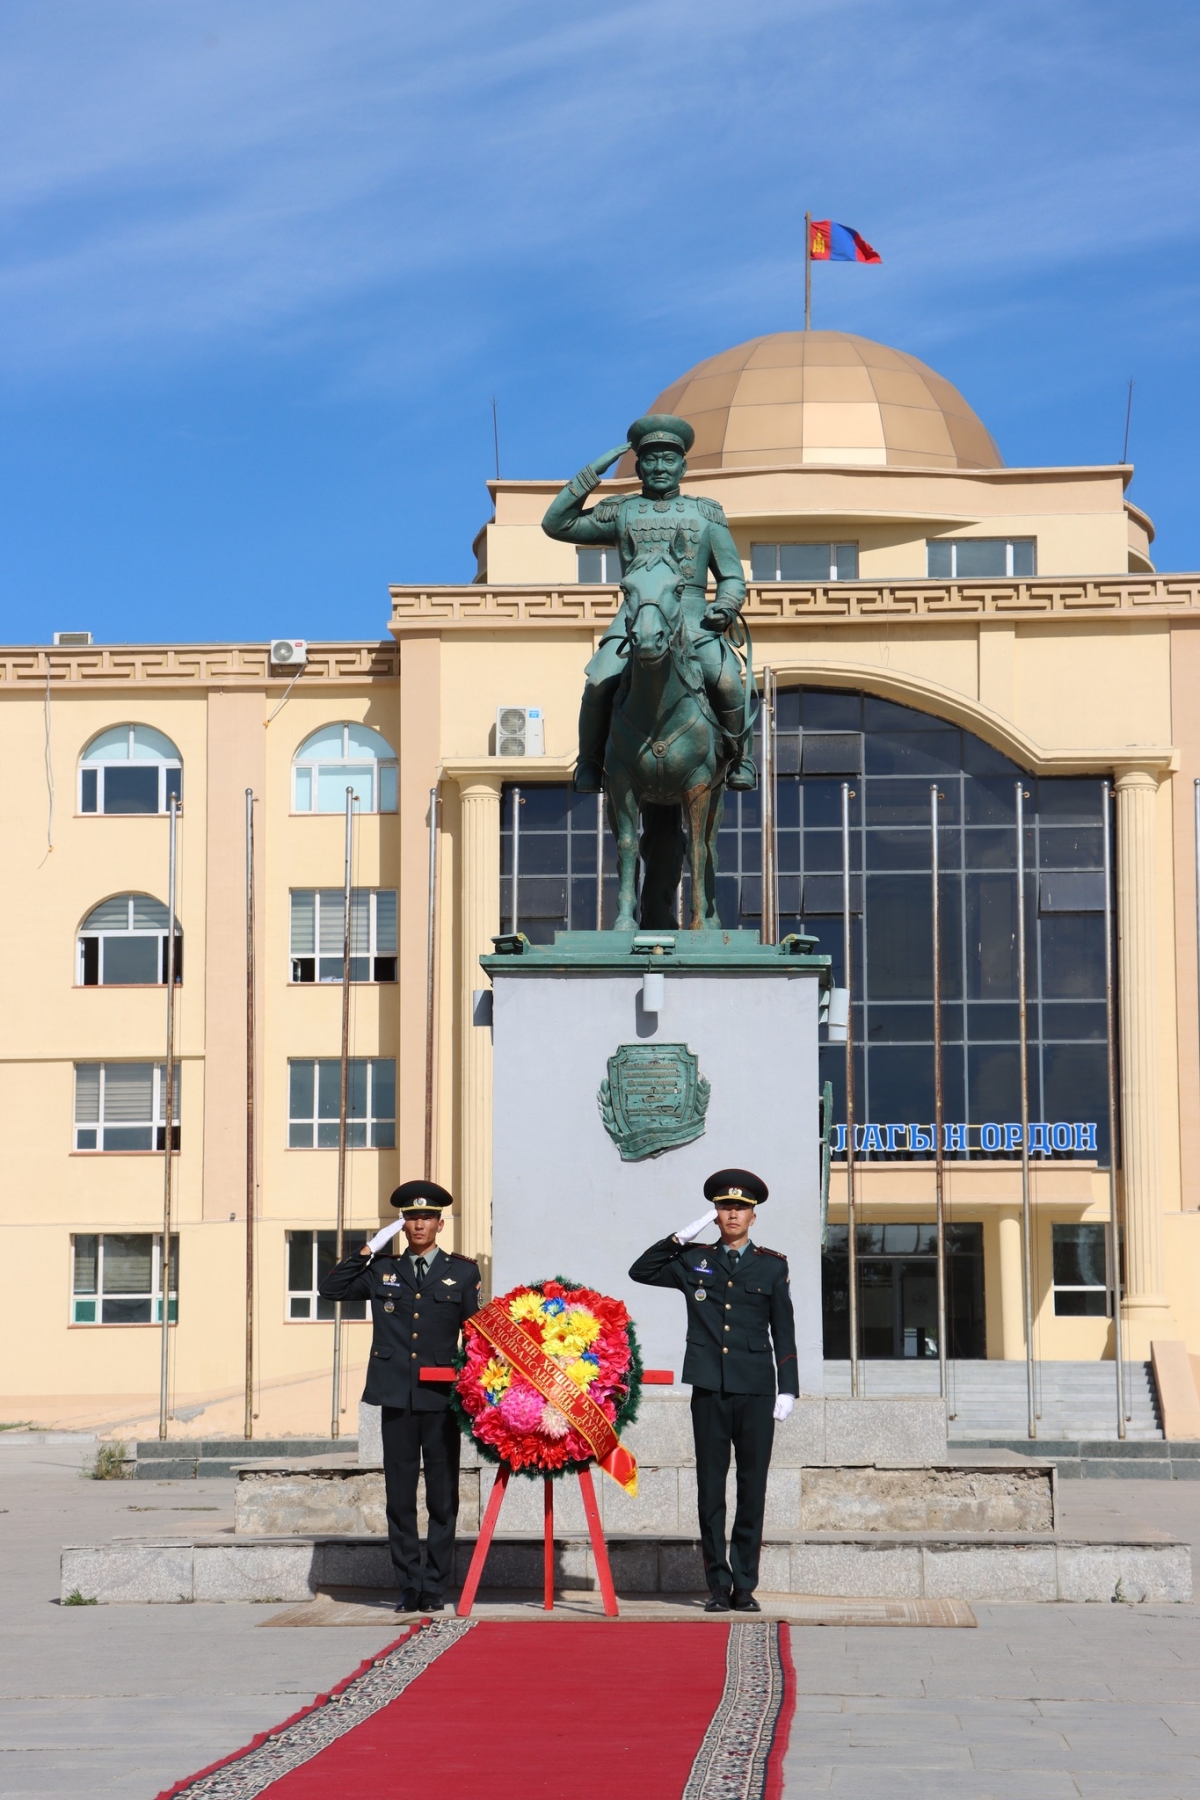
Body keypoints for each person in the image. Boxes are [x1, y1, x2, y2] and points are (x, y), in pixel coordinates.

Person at [541, 414, 757, 794]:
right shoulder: (622, 511)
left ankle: (742, 759)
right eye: (651, 460)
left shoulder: (705, 514)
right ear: (638, 466)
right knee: (597, 683)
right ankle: (589, 762)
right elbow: (557, 524)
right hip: (634, 617)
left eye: (668, 459)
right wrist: (596, 470)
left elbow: (732, 576)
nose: (660, 468)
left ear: (683, 466)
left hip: (693, 617)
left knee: (728, 683)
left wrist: (724, 605)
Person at [629, 1168, 797, 1613]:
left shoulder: (772, 1265)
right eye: (724, 1208)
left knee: (751, 1487)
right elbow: (640, 1270)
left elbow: (784, 1330)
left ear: (753, 1216)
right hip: (709, 1387)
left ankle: (745, 1584)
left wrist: (789, 1388)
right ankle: (717, 1586)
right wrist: (682, 1237)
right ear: (716, 1214)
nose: (732, 1214)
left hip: (758, 1389)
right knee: (709, 1489)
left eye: (740, 1208)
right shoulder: (694, 1260)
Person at [319, 1180, 480, 1613]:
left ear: (440, 1223)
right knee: (400, 1495)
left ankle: (434, 1585)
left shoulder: (463, 1272)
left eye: (426, 1217)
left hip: (442, 1397)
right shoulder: (381, 1270)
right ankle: (408, 1584)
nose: (418, 1224)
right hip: (396, 1395)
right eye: (410, 1218)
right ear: (402, 1225)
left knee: (443, 1496)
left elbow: (477, 1335)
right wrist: (369, 1249)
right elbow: (331, 1290)